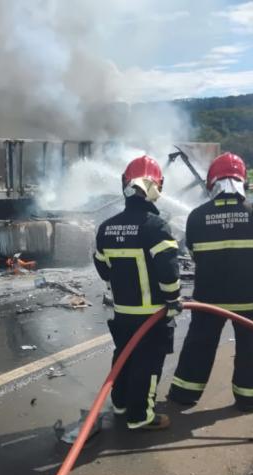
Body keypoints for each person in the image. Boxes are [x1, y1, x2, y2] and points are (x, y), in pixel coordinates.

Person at [168, 152, 253, 413]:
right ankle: (249, 400)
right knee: (251, 348)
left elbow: (194, 254)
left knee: (199, 345)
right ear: (242, 182)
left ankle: (184, 395)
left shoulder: (197, 216)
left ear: (212, 183)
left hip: (210, 299)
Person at [93, 155, 181, 430]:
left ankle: (120, 405)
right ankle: (141, 416)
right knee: (148, 363)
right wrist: (174, 299)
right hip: (152, 314)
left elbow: (103, 268)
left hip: (123, 313)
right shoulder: (156, 227)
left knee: (124, 356)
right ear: (156, 186)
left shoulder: (106, 228)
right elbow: (168, 272)